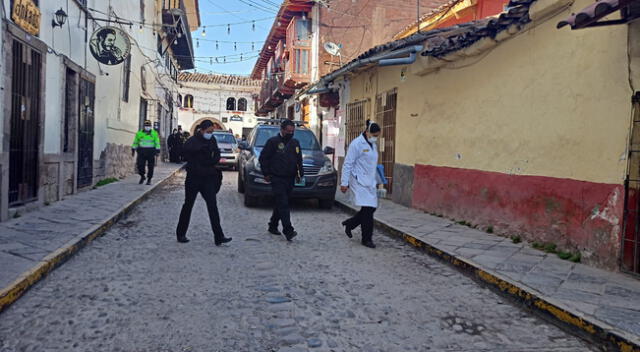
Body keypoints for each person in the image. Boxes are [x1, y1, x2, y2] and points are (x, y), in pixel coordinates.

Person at [176, 120, 232, 246]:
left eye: (212, 132)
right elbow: (185, 154)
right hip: (194, 178)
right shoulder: (192, 141)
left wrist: (211, 161)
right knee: (188, 205)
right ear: (201, 130)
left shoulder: (212, 140)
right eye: (208, 132)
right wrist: (199, 152)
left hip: (208, 178)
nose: (210, 134)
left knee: (213, 206)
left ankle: (219, 236)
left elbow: (216, 154)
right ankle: (181, 233)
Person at [259, 120, 304, 241]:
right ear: (282, 130)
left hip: (290, 177)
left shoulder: (295, 143)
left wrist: (300, 173)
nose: (290, 133)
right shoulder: (273, 142)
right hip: (277, 177)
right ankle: (288, 230)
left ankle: (273, 225)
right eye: (288, 131)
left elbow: (299, 159)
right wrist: (266, 173)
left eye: (292, 131)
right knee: (283, 203)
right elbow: (263, 158)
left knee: (281, 203)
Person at [340, 120, 382, 249]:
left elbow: (372, 164)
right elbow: (348, 164)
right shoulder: (356, 144)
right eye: (374, 135)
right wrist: (344, 183)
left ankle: (350, 224)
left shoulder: (372, 145)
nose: (375, 137)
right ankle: (366, 239)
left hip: (369, 181)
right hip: (358, 180)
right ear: (367, 132)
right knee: (368, 210)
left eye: (377, 135)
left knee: (371, 208)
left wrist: (379, 180)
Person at [132, 120, 161, 185]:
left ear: (150, 126)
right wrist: (133, 149)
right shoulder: (139, 133)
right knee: (140, 165)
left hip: (151, 151)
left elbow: (157, 142)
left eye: (148, 126)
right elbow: (136, 142)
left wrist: (158, 150)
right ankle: (142, 176)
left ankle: (149, 179)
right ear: (144, 126)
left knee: (151, 166)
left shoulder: (154, 133)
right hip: (141, 151)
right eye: (146, 126)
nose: (147, 127)